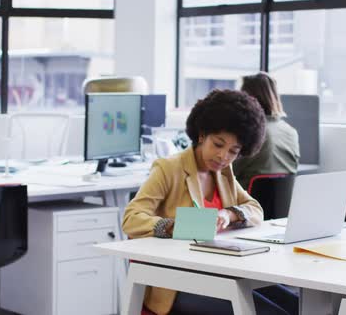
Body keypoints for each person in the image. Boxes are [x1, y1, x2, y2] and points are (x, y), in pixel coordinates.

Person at [123, 89, 298, 315]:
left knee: (295, 305)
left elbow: (255, 209)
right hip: (176, 283)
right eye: (218, 144)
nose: (223, 156)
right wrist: (171, 226)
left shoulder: (224, 173)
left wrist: (229, 214)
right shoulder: (169, 169)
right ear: (202, 135)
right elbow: (131, 218)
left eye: (233, 151)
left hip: (220, 272)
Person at [233, 72, 300, 190]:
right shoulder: (291, 132)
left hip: (246, 203)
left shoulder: (250, 132)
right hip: (283, 205)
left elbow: (227, 171)